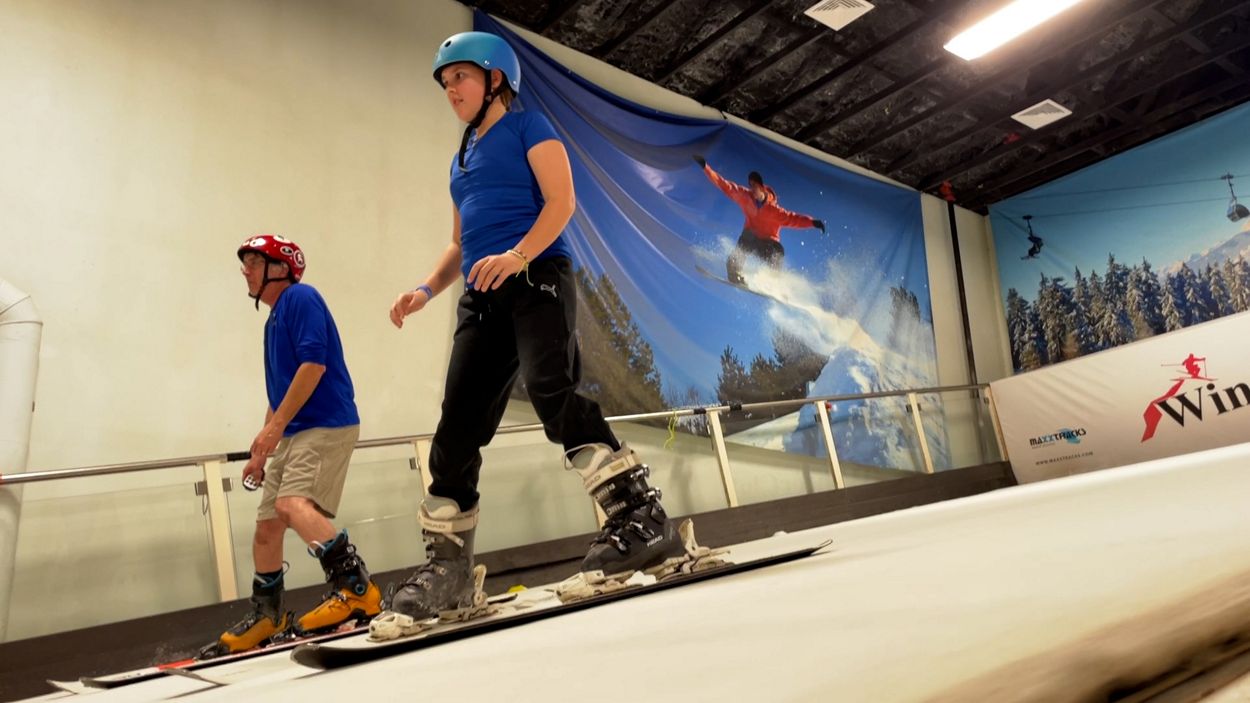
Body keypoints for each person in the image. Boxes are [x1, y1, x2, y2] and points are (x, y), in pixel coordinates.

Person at [384, 31, 684, 624]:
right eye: (445, 82)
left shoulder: (530, 127)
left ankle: (640, 517)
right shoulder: (460, 160)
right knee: (458, 422)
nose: (450, 89)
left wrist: (519, 255)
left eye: (460, 76)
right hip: (481, 295)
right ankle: (449, 570)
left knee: (551, 388)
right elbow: (459, 243)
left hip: (537, 274)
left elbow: (561, 202)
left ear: (495, 79)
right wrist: (424, 290)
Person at [201, 235, 380, 657]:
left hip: (326, 424)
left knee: (291, 505)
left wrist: (275, 429)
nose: (245, 270)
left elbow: (314, 366)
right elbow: (280, 393)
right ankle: (268, 614)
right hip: (294, 430)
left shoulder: (301, 298)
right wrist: (262, 448)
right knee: (267, 527)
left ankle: (356, 590)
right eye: (245, 263)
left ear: (280, 268)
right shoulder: (273, 320)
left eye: (253, 262)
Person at [694, 155, 825, 285]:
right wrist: (706, 168)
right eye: (750, 186)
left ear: (762, 188)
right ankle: (735, 275)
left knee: (778, 251)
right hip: (750, 238)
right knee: (737, 254)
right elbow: (725, 186)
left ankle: (774, 281)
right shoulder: (745, 197)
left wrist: (812, 222)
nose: (752, 190)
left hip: (767, 244)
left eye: (755, 187)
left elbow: (793, 219)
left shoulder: (774, 211)